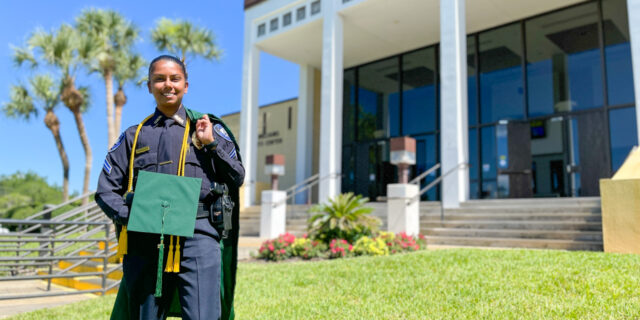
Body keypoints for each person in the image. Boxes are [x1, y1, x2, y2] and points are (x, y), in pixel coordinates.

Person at [96, 55, 244, 320]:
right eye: (159, 79)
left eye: (175, 79)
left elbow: (237, 176)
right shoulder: (133, 135)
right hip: (145, 240)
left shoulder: (208, 127)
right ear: (149, 86)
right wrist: (133, 216)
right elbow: (106, 190)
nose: (168, 85)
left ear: (186, 85)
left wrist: (210, 144)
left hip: (199, 236)